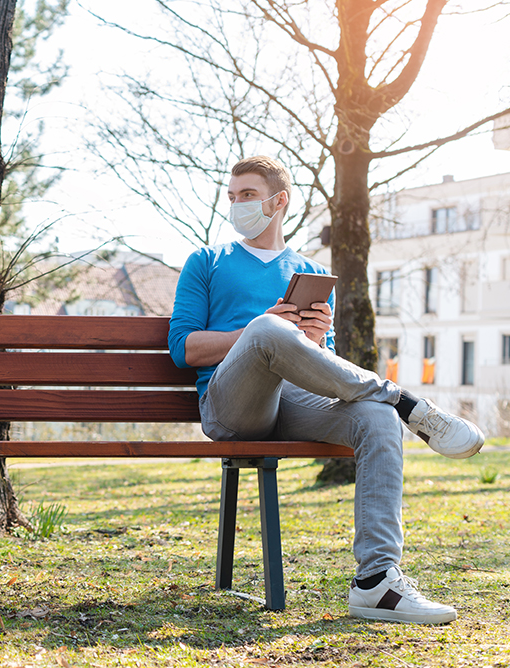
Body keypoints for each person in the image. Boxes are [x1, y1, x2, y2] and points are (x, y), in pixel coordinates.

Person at [168, 155, 484, 625]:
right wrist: (262, 332)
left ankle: (377, 582)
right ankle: (405, 401)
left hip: (296, 402)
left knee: (375, 417)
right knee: (265, 329)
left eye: (248, 196)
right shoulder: (207, 262)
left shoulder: (311, 272)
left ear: (280, 201)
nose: (237, 206)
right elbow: (184, 349)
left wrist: (314, 339)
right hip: (232, 405)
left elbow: (328, 371)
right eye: (232, 198)